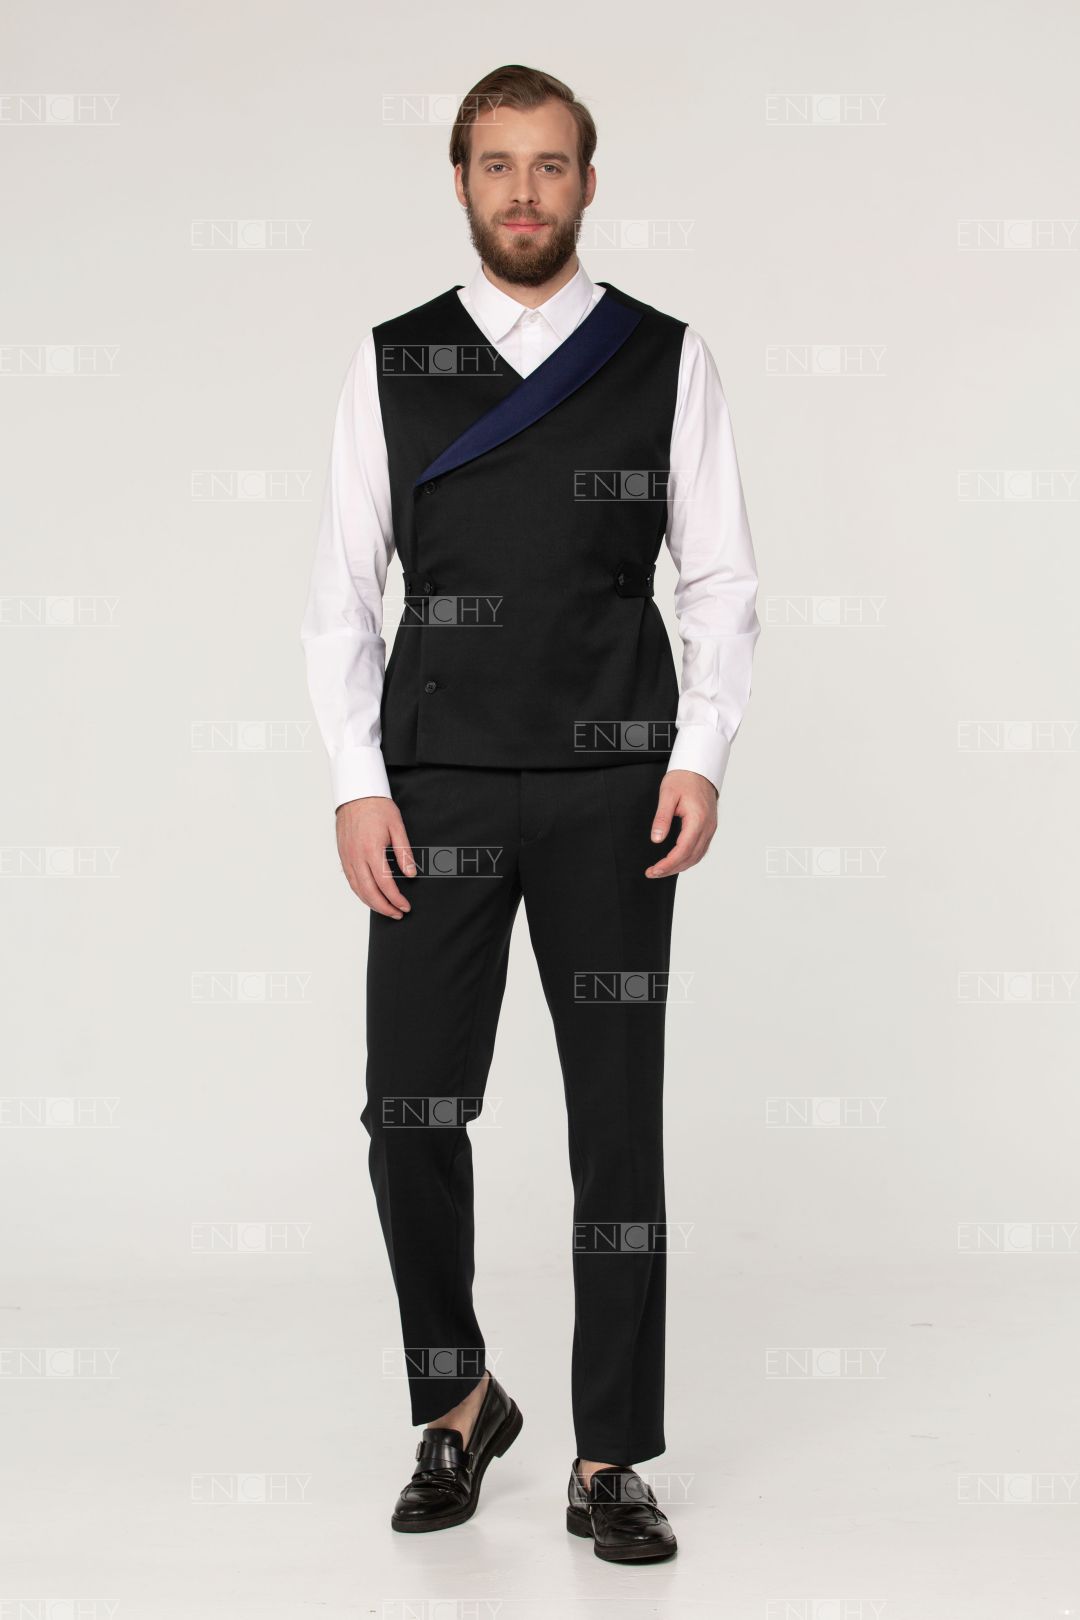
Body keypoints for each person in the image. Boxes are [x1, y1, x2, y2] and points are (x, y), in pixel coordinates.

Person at [301, 62, 760, 1563]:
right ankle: (458, 1400)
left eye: (549, 165)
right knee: (409, 1112)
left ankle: (610, 1454)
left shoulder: (662, 356)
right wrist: (358, 783)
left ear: (587, 183)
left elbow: (720, 579)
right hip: (433, 781)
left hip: (617, 785)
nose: (522, 191)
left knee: (617, 1125)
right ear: (460, 181)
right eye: (496, 164)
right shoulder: (393, 360)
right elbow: (342, 594)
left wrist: (701, 752)